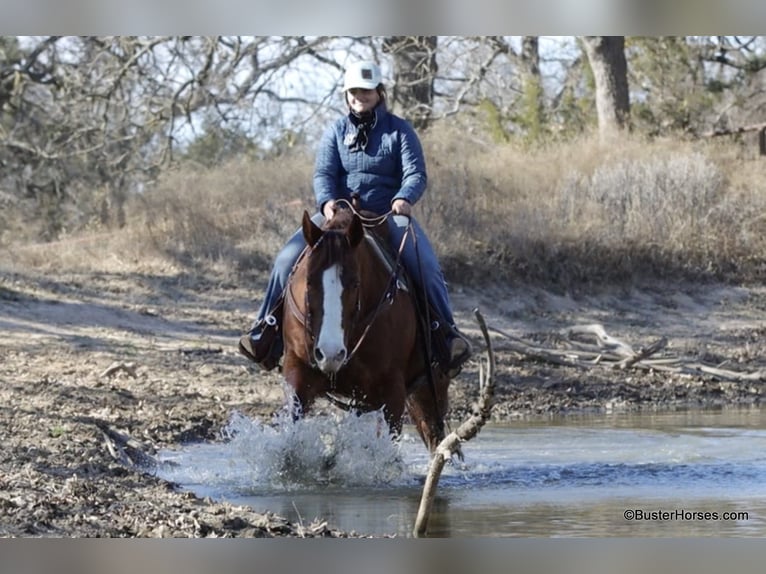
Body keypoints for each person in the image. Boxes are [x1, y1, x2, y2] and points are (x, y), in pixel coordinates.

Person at [239, 60, 471, 377]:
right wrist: (328, 201)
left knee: (425, 265)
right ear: (346, 95)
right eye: (353, 92)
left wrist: (404, 197)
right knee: (285, 259)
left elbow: (415, 173)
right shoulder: (336, 131)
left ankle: (445, 333)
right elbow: (323, 173)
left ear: (379, 92)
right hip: (337, 216)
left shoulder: (400, 131)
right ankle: (264, 331)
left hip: (387, 213)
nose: (359, 96)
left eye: (366, 90)